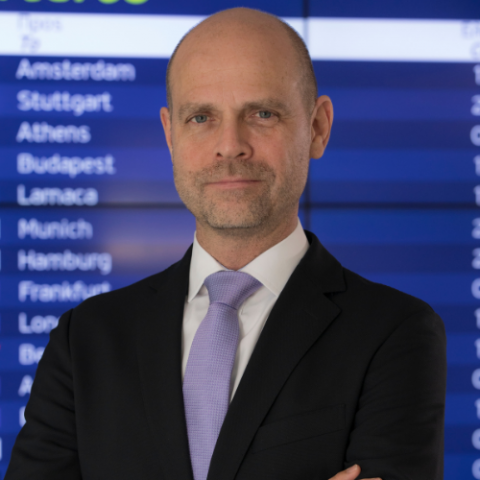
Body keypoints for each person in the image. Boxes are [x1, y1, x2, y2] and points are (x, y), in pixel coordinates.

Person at [5, 7, 446, 480]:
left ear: (317, 127)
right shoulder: (85, 340)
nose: (230, 145)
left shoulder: (395, 334)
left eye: (262, 113)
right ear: (170, 134)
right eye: (201, 117)